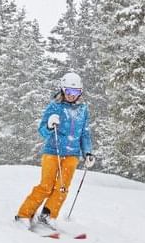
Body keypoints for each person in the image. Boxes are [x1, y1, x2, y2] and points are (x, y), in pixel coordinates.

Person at [14, 71, 94, 230]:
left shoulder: (83, 110)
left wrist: (88, 152)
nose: (72, 95)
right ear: (63, 90)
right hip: (52, 151)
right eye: (69, 91)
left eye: (76, 92)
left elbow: (85, 133)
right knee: (46, 186)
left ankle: (48, 214)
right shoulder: (54, 106)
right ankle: (24, 214)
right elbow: (42, 131)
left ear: (80, 92)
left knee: (62, 187)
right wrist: (50, 126)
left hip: (72, 154)